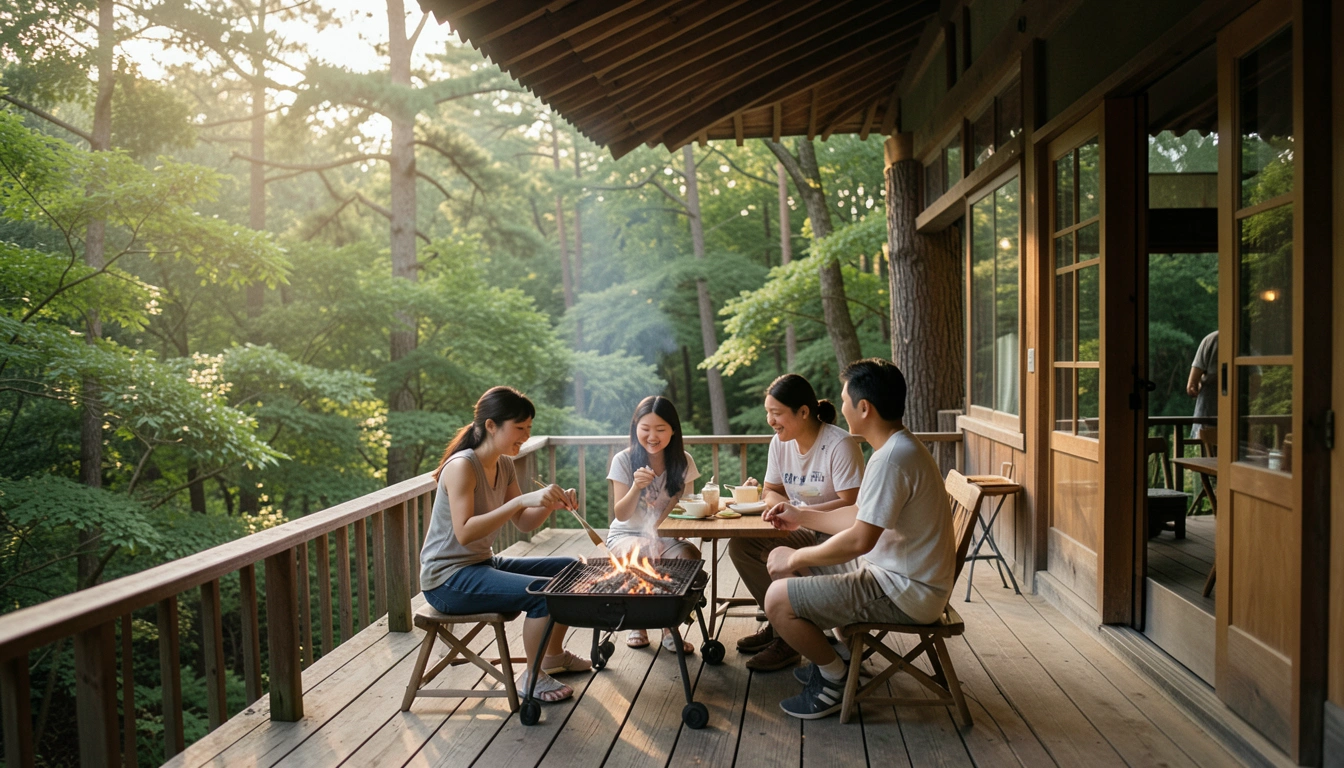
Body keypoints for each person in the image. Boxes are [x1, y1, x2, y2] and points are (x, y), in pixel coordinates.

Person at [761, 359, 956, 720]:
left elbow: (860, 540)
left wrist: (796, 558)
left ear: (864, 408)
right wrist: (800, 516)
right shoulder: (896, 448)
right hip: (897, 576)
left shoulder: (892, 460)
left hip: (904, 590)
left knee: (777, 597)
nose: (840, 407)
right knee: (788, 563)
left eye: (845, 399)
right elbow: (860, 517)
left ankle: (834, 677)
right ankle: (843, 658)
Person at [420, 386, 591, 704]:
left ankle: (552, 657)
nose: (525, 436)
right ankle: (532, 675)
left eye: (529, 429)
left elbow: (524, 523)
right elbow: (465, 534)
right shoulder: (462, 467)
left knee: (572, 569)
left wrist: (548, 506)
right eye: (520, 428)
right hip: (447, 581)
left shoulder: (504, 464)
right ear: (491, 426)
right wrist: (521, 501)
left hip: (480, 565)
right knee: (544, 593)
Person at [729, 374, 865, 672]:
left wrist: (802, 511)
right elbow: (770, 490)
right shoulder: (781, 444)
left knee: (766, 552)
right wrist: (779, 507)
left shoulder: (838, 444)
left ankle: (790, 638)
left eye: (776, 413)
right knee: (741, 546)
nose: (770, 420)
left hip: (834, 534)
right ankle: (782, 628)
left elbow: (853, 504)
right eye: (768, 412)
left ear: (803, 412)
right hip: (798, 527)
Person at [607, 395, 702, 653]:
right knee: (640, 551)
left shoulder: (683, 461)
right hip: (626, 533)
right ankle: (637, 623)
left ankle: (670, 625)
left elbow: (687, 509)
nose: (652, 436)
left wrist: (660, 534)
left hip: (667, 534)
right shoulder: (624, 461)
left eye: (660, 429)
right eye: (645, 428)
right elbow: (621, 513)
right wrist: (637, 487)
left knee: (689, 556)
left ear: (673, 430)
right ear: (635, 427)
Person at [1187, 330, 1218, 440]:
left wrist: (1198, 385)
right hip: (1239, 421)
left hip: (1207, 416)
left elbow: (1191, 387)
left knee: (1206, 455)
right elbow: (1256, 380)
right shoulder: (1245, 339)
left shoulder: (1211, 340)